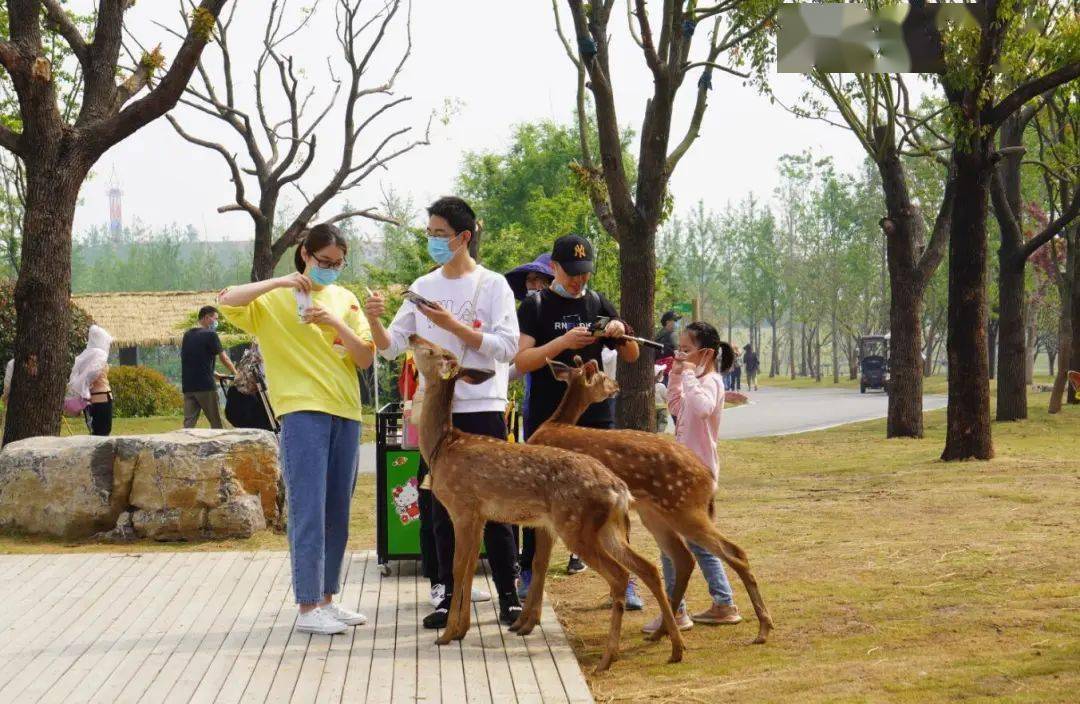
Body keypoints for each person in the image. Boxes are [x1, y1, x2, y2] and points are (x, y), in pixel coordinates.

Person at [364, 196, 524, 629]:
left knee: (496, 501)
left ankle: (509, 592)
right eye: (429, 233)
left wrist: (455, 329)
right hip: (435, 414)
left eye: (440, 234)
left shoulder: (492, 285)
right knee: (436, 502)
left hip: (481, 405)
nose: (433, 241)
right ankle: (445, 593)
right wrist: (375, 320)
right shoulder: (424, 285)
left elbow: (508, 346)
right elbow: (392, 345)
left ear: (464, 237)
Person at [218, 223, 375, 636]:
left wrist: (333, 323)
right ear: (305, 253)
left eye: (339, 264)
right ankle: (307, 606)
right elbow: (225, 300)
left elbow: (363, 357)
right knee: (308, 508)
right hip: (302, 412)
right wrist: (282, 280)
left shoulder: (345, 298)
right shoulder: (272, 298)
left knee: (337, 509)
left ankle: (327, 598)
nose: (332, 270)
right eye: (325, 262)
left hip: (346, 410)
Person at [514, 233, 645, 608]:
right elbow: (522, 361)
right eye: (572, 273)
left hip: (595, 422)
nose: (578, 280)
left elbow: (634, 355)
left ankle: (625, 577)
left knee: (609, 495)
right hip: (547, 421)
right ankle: (529, 572)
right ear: (553, 267)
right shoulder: (535, 306)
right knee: (537, 497)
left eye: (584, 273)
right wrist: (562, 344)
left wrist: (620, 333)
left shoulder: (598, 302)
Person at [643, 321, 741, 633]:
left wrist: (686, 374)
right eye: (679, 348)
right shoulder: (695, 379)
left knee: (671, 542)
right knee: (698, 542)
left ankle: (677, 610)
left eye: (687, 349)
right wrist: (675, 375)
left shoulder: (710, 381)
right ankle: (723, 603)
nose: (680, 353)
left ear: (706, 352)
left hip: (695, 476)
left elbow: (701, 409)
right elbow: (676, 407)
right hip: (683, 474)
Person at [181, 306, 237, 429]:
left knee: (188, 425)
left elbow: (194, 360)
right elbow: (224, 358)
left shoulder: (187, 335)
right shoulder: (211, 335)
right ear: (207, 317)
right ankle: (222, 447)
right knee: (217, 423)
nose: (216, 322)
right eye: (215, 319)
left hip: (188, 387)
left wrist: (215, 374)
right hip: (206, 387)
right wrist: (236, 373)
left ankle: (184, 446)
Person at [65, 325, 114, 436]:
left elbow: (77, 373)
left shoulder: (86, 354)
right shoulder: (99, 354)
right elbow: (93, 373)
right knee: (103, 432)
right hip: (102, 397)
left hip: (90, 399)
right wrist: (86, 384)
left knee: (95, 431)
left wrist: (84, 388)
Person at [654, 365, 669, 433]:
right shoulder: (661, 386)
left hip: (652, 408)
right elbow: (666, 397)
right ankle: (660, 434)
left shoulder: (649, 387)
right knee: (662, 422)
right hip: (662, 408)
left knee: (654, 422)